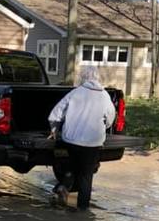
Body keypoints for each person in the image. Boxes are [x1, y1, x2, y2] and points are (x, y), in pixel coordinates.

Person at [48, 66, 116, 210]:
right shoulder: (104, 96)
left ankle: (63, 187)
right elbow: (110, 118)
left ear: (82, 78)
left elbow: (56, 113)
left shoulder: (75, 93)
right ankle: (82, 209)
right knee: (86, 175)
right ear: (98, 78)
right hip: (93, 143)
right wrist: (104, 127)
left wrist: (54, 129)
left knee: (72, 167)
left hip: (71, 140)